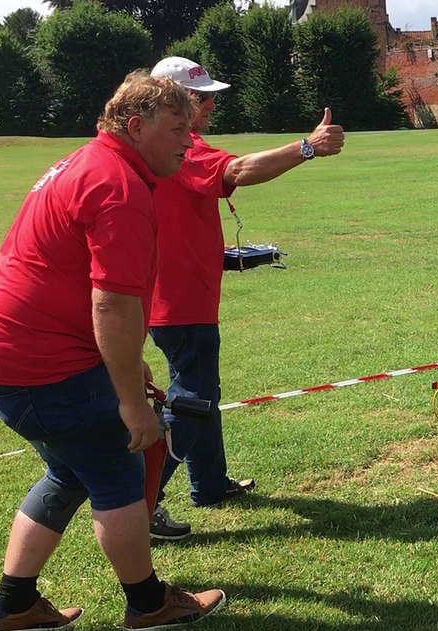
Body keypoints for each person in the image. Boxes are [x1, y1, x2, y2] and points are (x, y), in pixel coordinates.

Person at [0, 72, 226, 631]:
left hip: (3, 351)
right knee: (116, 469)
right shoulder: (119, 186)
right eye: (178, 129)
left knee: (67, 471)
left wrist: (124, 367)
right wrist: (131, 402)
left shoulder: (88, 162)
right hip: (39, 359)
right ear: (137, 126)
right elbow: (112, 305)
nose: (190, 141)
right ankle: (149, 604)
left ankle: (13, 607)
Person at [145, 57, 345, 539]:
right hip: (178, 303)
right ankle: (141, 500)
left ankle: (210, 485)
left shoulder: (168, 149)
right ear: (169, 102)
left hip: (179, 296)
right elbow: (239, 169)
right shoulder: (182, 150)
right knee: (192, 399)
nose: (212, 104)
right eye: (201, 97)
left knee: (200, 396)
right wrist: (308, 147)